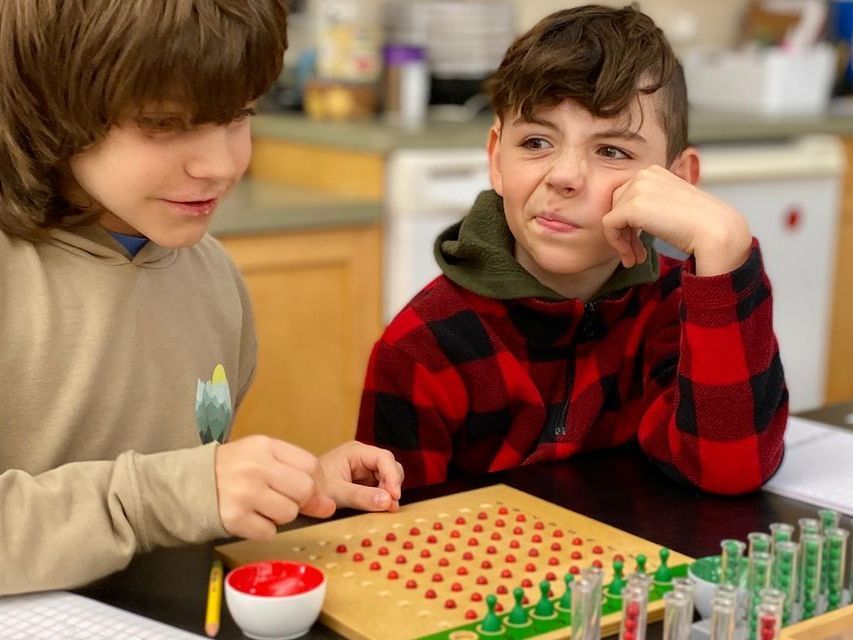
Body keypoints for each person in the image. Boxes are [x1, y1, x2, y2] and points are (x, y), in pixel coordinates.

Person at [0, 0, 403, 596]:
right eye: (164, 123)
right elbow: (162, 495)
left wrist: (291, 486)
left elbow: (179, 493)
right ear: (51, 107)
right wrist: (177, 492)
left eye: (238, 115)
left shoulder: (212, 278)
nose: (221, 164)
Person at [356, 5, 787, 494]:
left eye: (611, 152)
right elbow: (392, 541)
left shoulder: (685, 311)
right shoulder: (422, 347)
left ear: (679, 179)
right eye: (537, 141)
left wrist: (724, 252)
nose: (563, 176)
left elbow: (732, 471)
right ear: (497, 159)